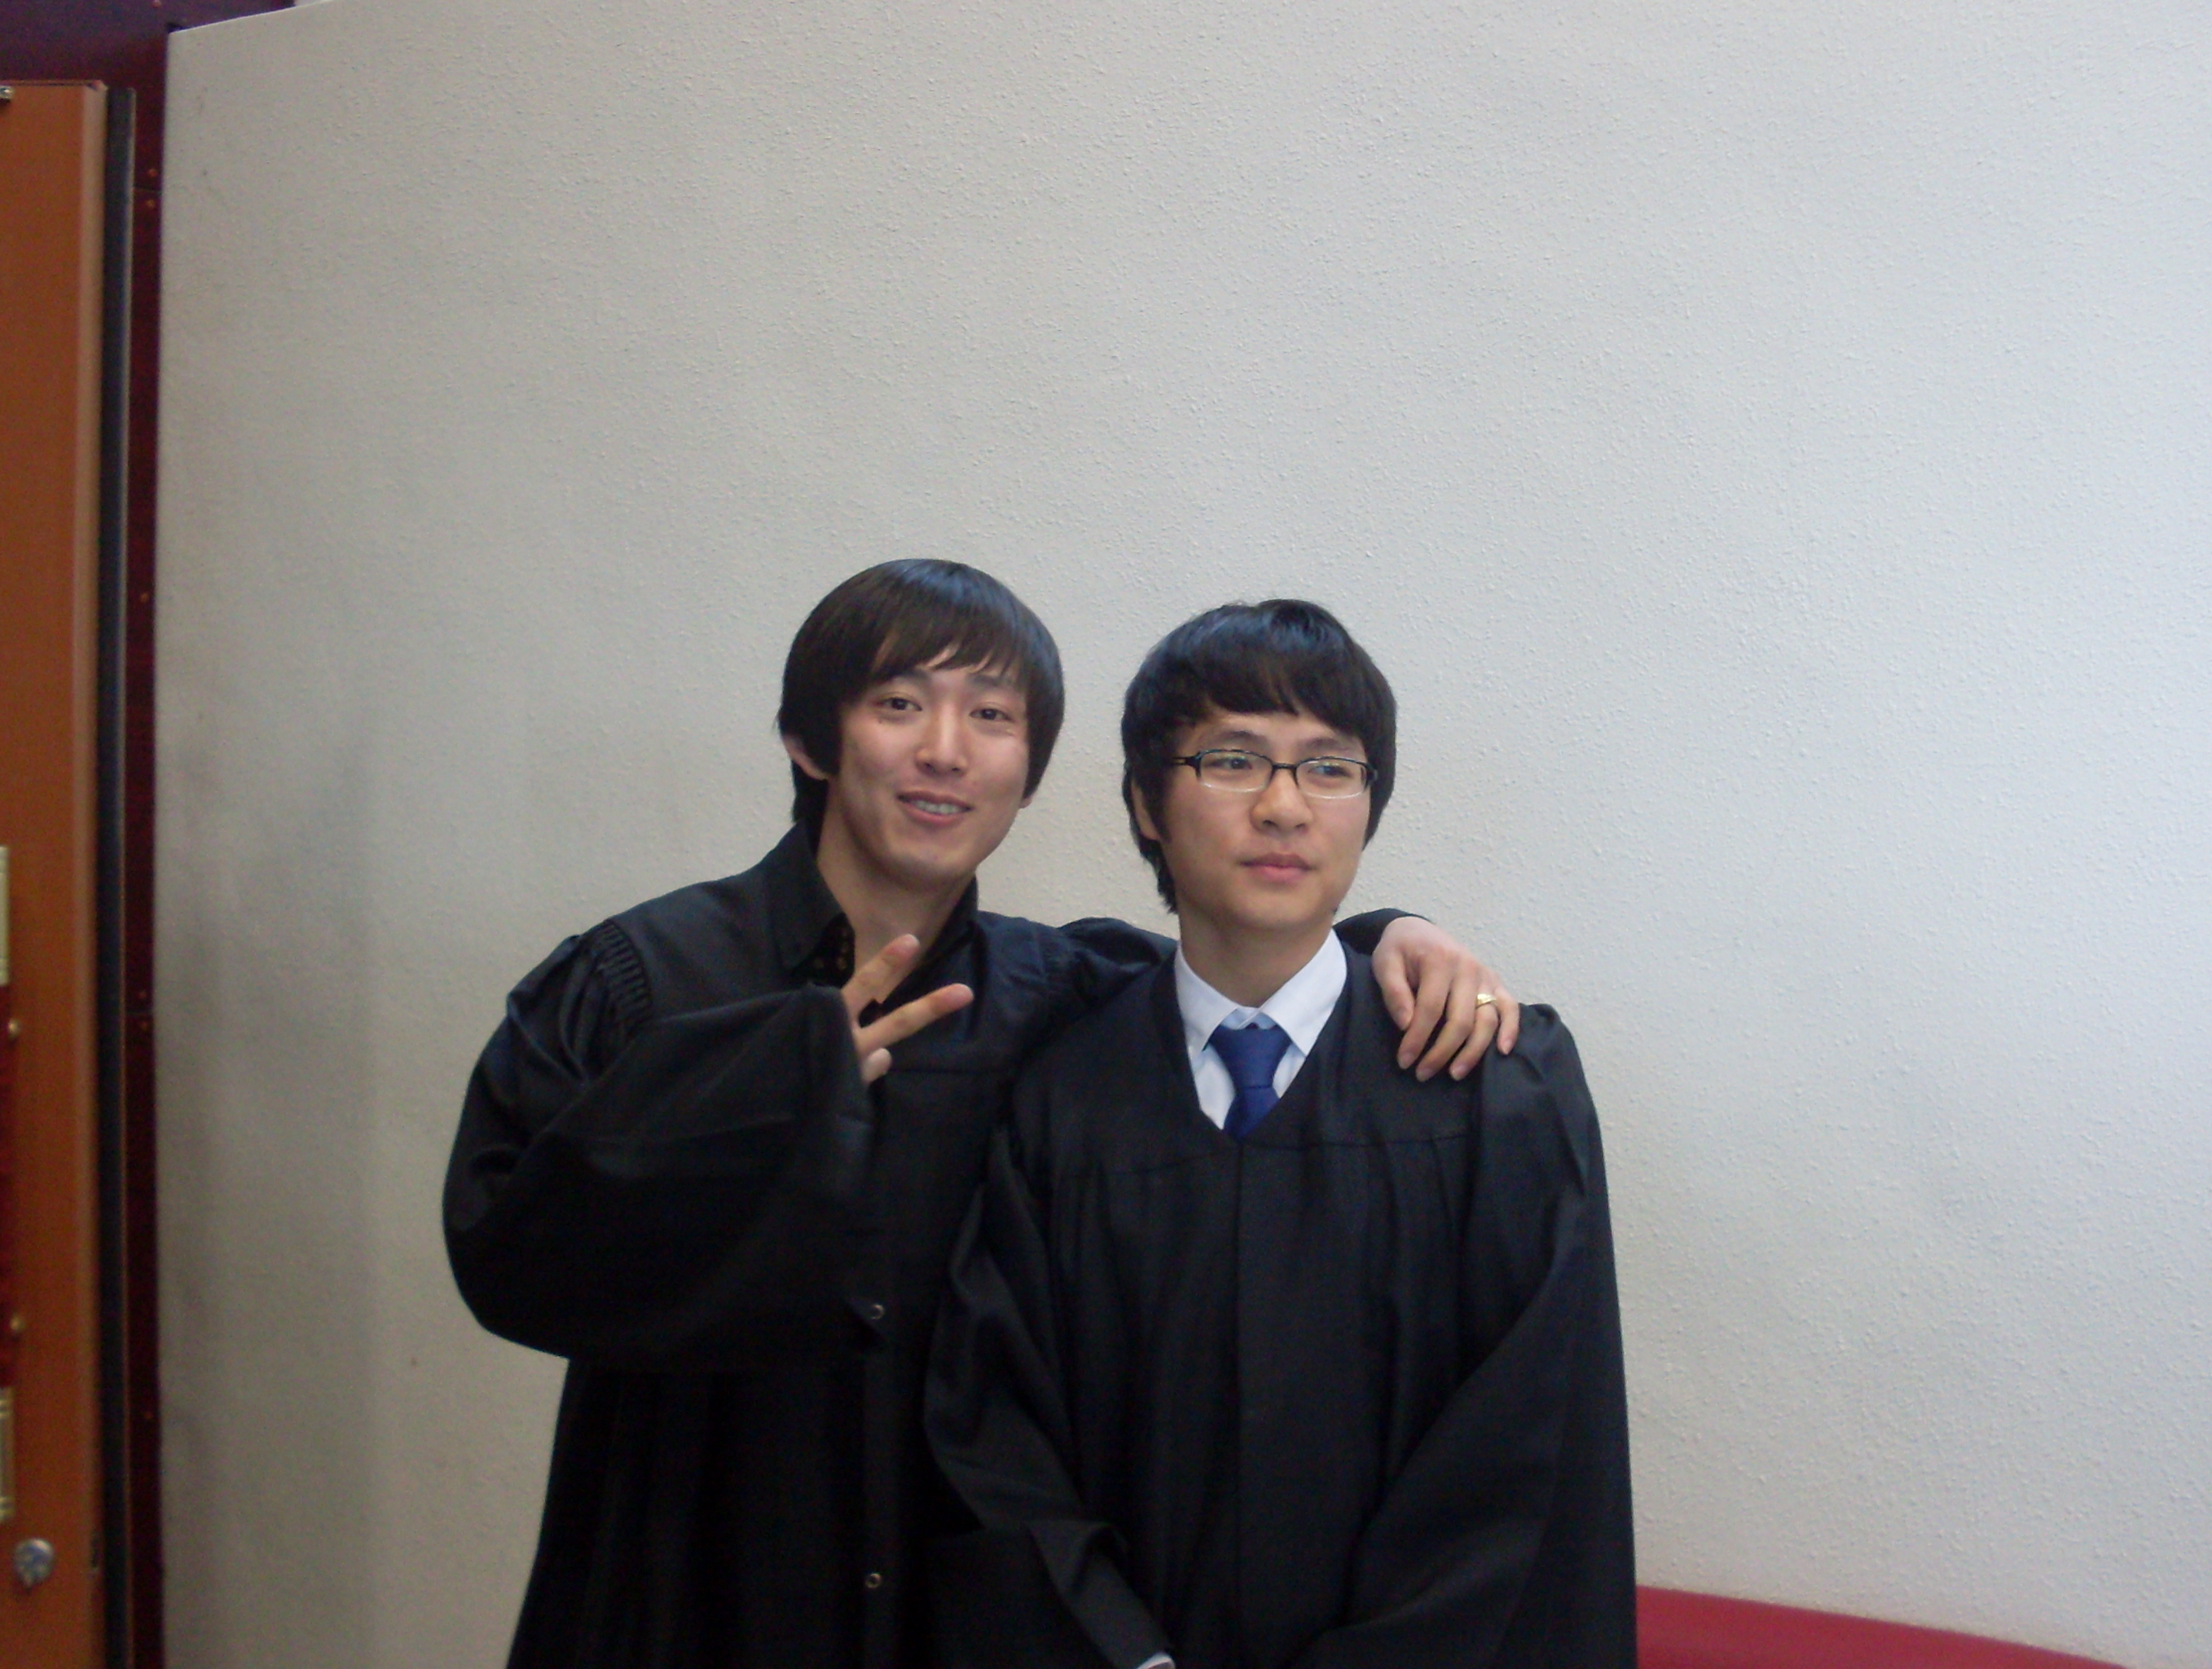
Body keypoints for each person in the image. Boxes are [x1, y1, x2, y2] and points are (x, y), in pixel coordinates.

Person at [443, 561, 1519, 1669]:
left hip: (961, 1618)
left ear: (1029, 772)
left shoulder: (1062, 997)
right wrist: (764, 1085)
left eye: (993, 717)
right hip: (686, 1593)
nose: (946, 750)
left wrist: (1389, 935)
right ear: (811, 740)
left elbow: (1244, 971)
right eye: (899, 703)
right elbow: (504, 1254)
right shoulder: (642, 982)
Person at [925, 600, 1634, 1669]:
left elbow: (1527, 1459)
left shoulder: (1499, 1092)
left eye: (1330, 768)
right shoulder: (1061, 1099)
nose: (1285, 807)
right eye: (1234, 760)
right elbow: (997, 1437)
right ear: (1147, 803)